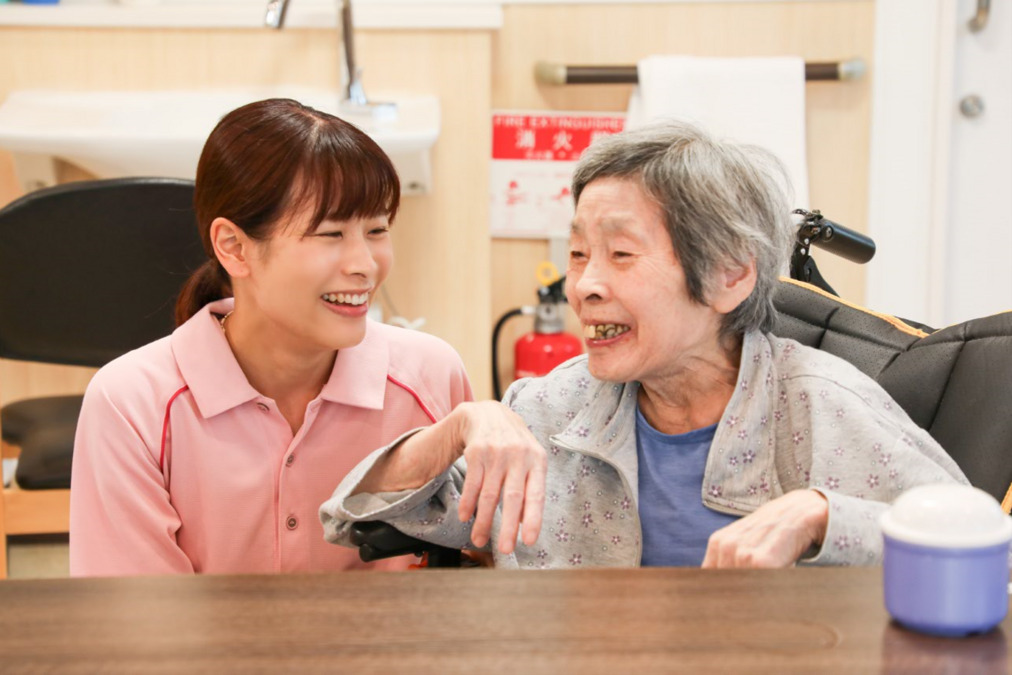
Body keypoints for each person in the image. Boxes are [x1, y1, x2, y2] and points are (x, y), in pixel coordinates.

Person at [320, 121, 968, 569]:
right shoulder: (553, 408)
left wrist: (820, 514)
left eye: (621, 254)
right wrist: (460, 425)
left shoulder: (821, 406)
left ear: (729, 275)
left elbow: (987, 555)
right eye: (577, 254)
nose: (585, 286)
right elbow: (354, 517)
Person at [70, 98, 472, 576]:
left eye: (377, 229)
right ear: (234, 248)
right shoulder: (131, 403)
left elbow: (465, 577)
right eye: (330, 234)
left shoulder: (429, 376)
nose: (364, 264)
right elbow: (137, 624)